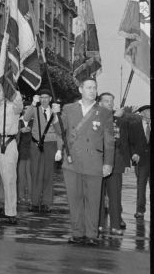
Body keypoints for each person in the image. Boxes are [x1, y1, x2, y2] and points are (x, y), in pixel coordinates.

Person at [56, 78, 114, 246]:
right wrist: (54, 115)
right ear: (80, 89)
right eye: (89, 87)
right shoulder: (68, 108)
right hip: (72, 161)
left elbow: (109, 141)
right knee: (75, 199)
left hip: (94, 162)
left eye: (94, 88)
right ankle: (77, 233)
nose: (92, 90)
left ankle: (91, 234)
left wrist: (108, 163)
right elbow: (59, 130)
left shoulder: (103, 112)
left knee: (93, 200)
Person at [0, 84, 23, 224]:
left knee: (9, 180)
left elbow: (19, 103)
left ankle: (11, 212)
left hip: (8, 143)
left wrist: (12, 88)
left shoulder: (13, 105)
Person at [97, 92, 131, 235]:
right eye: (106, 101)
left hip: (115, 161)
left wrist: (127, 162)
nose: (110, 103)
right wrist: (114, 118)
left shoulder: (120, 120)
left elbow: (123, 141)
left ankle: (115, 225)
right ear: (100, 103)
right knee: (97, 195)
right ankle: (98, 224)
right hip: (98, 159)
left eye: (112, 101)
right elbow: (99, 134)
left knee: (115, 195)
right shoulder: (95, 116)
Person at [23, 88, 62, 214]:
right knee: (35, 174)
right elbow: (26, 117)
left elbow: (59, 132)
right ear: (39, 98)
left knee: (48, 175)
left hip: (50, 144)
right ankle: (34, 202)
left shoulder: (55, 111)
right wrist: (32, 104)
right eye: (42, 97)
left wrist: (59, 150)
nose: (44, 100)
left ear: (50, 99)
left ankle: (46, 203)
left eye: (46, 97)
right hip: (36, 145)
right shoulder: (35, 109)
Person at [128, 105, 150, 220]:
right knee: (141, 186)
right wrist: (133, 154)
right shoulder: (134, 126)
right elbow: (130, 142)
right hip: (141, 160)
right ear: (142, 113)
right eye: (147, 111)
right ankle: (140, 210)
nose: (149, 112)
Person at [17, 104, 33, 206]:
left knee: (30, 175)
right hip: (21, 150)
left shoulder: (34, 121)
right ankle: (20, 196)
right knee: (20, 175)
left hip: (32, 150)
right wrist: (20, 130)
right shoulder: (18, 121)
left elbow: (29, 130)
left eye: (29, 109)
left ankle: (31, 197)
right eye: (26, 109)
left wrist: (25, 130)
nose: (27, 110)